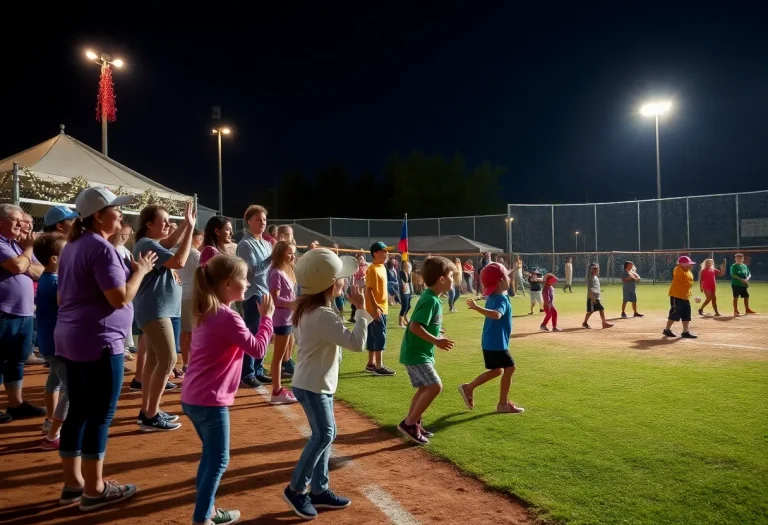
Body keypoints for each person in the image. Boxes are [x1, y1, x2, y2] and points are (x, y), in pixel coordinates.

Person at [56, 187, 156, 511]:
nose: (120, 215)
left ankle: (74, 484)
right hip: (98, 341)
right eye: (114, 209)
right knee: (99, 415)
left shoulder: (73, 246)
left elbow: (64, 298)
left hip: (73, 337)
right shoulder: (99, 248)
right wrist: (139, 271)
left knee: (79, 411)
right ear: (98, 216)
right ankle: (95, 490)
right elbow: (119, 298)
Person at [182, 255, 275, 525]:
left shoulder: (208, 310)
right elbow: (257, 350)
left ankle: (208, 511)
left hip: (194, 397)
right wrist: (266, 319)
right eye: (243, 279)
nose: (247, 283)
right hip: (209, 400)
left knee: (210, 456)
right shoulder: (227, 316)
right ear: (226, 283)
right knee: (219, 460)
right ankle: (202, 518)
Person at [282, 248, 364, 520]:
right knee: (324, 435)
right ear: (330, 284)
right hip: (314, 384)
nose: (344, 281)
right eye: (340, 278)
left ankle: (320, 489)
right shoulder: (322, 314)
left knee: (327, 434)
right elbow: (356, 344)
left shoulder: (311, 308)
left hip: (314, 382)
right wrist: (362, 310)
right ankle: (296, 489)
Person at [133, 202, 197, 431]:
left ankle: (148, 411)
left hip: (158, 309)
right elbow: (178, 260)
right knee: (169, 359)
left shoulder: (149, 242)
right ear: (149, 224)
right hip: (155, 310)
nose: (169, 225)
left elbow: (170, 243)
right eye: (165, 221)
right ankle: (151, 414)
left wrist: (184, 226)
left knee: (154, 361)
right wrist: (189, 228)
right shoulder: (146, 243)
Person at [397, 257, 455, 444]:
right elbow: (414, 326)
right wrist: (436, 340)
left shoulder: (433, 298)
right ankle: (409, 423)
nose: (454, 279)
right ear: (441, 279)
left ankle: (413, 422)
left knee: (424, 387)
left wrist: (437, 331)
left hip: (419, 352)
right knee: (435, 386)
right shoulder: (430, 300)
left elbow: (424, 323)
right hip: (416, 353)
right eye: (451, 275)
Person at [458, 263, 524, 414]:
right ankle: (502, 404)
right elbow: (496, 314)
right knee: (510, 368)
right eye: (507, 276)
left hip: (490, 342)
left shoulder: (494, 296)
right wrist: (477, 308)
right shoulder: (500, 299)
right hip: (497, 343)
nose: (509, 278)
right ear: (501, 281)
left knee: (497, 371)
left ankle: (468, 388)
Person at [0, 203, 45, 424]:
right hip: (4, 312)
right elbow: (18, 267)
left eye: (21, 220)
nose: (21, 224)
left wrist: (23, 261)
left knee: (16, 360)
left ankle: (15, 404)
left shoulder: (16, 246)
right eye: (15, 220)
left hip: (24, 312)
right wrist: (27, 251)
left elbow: (41, 271)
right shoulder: (4, 244)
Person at [34, 233, 69, 450]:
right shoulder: (56, 282)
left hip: (49, 343)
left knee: (54, 380)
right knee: (72, 389)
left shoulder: (48, 279)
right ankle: (53, 435)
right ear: (54, 259)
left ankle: (50, 420)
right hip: (59, 345)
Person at [237, 205, 275, 389]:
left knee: (264, 334)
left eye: (264, 220)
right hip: (253, 294)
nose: (262, 223)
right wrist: (272, 257)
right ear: (249, 222)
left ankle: (258, 369)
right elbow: (253, 270)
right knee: (252, 334)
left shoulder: (266, 243)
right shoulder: (245, 244)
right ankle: (247, 373)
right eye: (258, 220)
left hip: (266, 293)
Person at [268, 241, 298, 404]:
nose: (292, 256)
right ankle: (277, 390)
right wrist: (291, 303)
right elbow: (274, 298)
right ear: (280, 253)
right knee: (278, 357)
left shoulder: (285, 271)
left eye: (293, 253)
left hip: (287, 317)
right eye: (289, 253)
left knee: (281, 355)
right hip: (281, 318)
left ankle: (278, 389)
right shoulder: (276, 273)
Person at [364, 242, 395, 376]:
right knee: (379, 336)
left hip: (381, 307)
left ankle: (371, 363)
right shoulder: (372, 269)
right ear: (375, 253)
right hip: (377, 309)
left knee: (373, 336)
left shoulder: (381, 267)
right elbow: (369, 290)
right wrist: (376, 307)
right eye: (384, 251)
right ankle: (379, 366)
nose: (386, 254)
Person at [178, 228, 204, 376]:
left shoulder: (179, 251)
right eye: (199, 239)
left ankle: (187, 363)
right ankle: (190, 364)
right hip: (191, 295)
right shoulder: (195, 254)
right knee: (192, 331)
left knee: (185, 332)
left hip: (180, 295)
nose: (201, 242)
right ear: (193, 238)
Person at [111, 224, 138, 358]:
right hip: (119, 290)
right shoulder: (111, 249)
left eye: (127, 235)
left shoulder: (126, 250)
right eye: (122, 235)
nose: (125, 238)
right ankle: (121, 348)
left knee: (128, 315)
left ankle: (127, 345)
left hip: (128, 288)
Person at [663, 256, 698, 338]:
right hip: (676, 296)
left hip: (685, 296)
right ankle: (667, 330)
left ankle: (685, 332)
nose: (690, 266)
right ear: (681, 265)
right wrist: (681, 265)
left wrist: (690, 294)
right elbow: (678, 268)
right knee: (675, 313)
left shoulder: (689, 273)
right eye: (688, 264)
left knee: (687, 314)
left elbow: (687, 284)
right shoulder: (678, 269)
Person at [582, 263, 614, 329]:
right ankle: (603, 323)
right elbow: (590, 288)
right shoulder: (591, 278)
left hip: (596, 297)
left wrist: (599, 290)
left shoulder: (596, 278)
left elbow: (595, 287)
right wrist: (592, 297)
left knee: (593, 310)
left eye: (597, 269)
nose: (597, 271)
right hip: (592, 297)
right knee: (599, 309)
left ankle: (585, 323)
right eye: (596, 269)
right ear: (592, 270)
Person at [348, 254, 367, 323]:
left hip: (364, 284)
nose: (361, 260)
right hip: (357, 283)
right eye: (360, 259)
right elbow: (354, 276)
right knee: (355, 301)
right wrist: (353, 285)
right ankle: (353, 316)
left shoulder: (365, 266)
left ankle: (361, 316)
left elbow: (366, 274)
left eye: (362, 259)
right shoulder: (356, 267)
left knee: (363, 299)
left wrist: (365, 277)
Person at [398, 260, 413, 327]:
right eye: (406, 264)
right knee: (404, 306)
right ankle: (400, 322)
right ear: (403, 265)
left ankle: (405, 317)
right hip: (403, 290)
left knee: (409, 306)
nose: (407, 265)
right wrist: (402, 286)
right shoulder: (401, 272)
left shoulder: (408, 272)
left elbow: (409, 282)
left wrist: (409, 273)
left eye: (408, 264)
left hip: (408, 290)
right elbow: (400, 280)